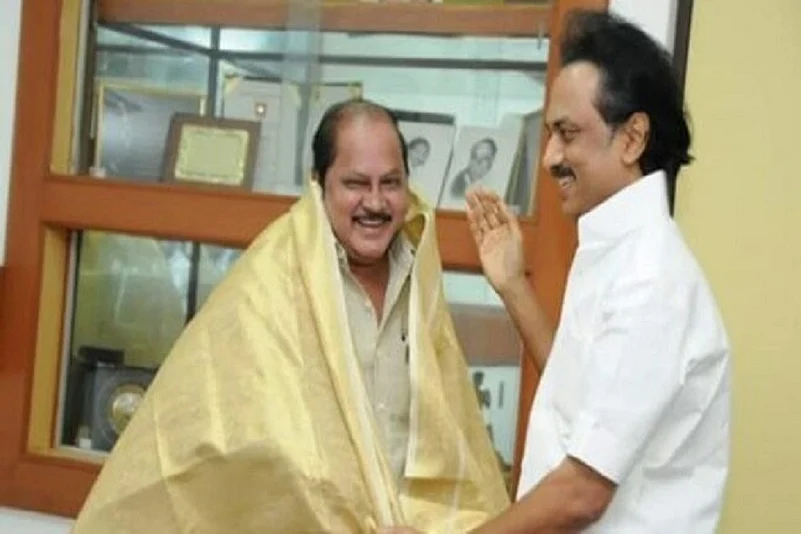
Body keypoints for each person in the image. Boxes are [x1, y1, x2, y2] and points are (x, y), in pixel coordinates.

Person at [72, 99, 509, 533]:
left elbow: (447, 435)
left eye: (390, 183)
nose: (375, 202)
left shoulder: (420, 277)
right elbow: (209, 431)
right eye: (356, 184)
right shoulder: (269, 282)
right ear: (318, 184)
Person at [385, 8, 730, 534]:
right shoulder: (616, 252)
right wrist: (513, 286)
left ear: (633, 138)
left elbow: (583, 492)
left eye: (568, 134)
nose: (549, 157)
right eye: (550, 134)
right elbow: (580, 399)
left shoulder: (650, 280)